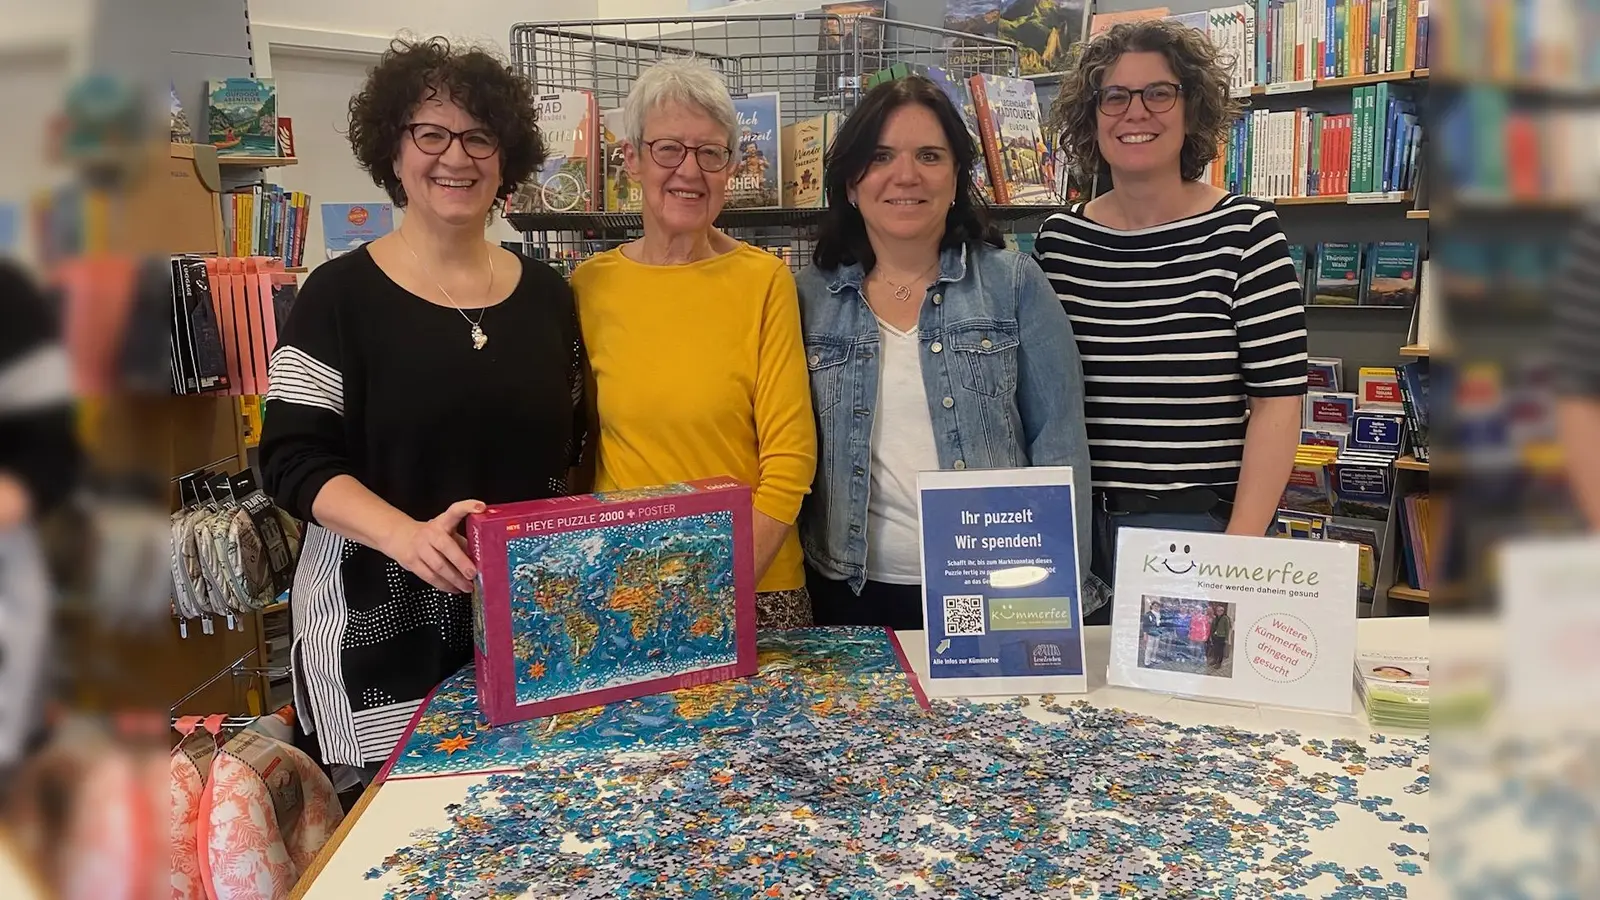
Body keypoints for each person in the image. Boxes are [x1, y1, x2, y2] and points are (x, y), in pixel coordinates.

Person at [259, 37, 586, 780]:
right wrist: (404, 535)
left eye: (479, 137)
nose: (456, 157)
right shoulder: (337, 296)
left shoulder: (549, 297)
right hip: (377, 632)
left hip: (527, 627)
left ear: (506, 158)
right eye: (430, 133)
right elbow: (290, 458)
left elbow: (570, 453)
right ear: (394, 150)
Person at [796, 76, 1094, 631]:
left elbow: (1060, 450)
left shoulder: (1014, 284)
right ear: (851, 184)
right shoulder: (806, 296)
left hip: (995, 588)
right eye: (880, 156)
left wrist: (1057, 601)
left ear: (957, 178)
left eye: (929, 155)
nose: (905, 175)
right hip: (847, 592)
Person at [1036, 19, 1308, 624]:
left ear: (1192, 109)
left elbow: (1278, 403)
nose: (1137, 113)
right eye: (1115, 96)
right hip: (1074, 531)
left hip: (1197, 528)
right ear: (1092, 115)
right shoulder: (1060, 242)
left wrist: (1239, 553)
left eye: (1159, 93)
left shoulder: (1246, 234)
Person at [568, 59, 817, 628]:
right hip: (624, 585)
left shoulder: (763, 282)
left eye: (711, 153)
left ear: (730, 167)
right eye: (668, 150)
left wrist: (714, 595)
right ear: (630, 159)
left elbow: (790, 459)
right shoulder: (589, 285)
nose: (691, 170)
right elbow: (583, 447)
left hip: (756, 585)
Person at [1208, 603, 1231, 669]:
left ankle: (1219, 663)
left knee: (1220, 651)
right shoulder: (1215, 618)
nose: (1219, 612)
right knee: (1215, 649)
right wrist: (1211, 635)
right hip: (1215, 636)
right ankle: (1215, 660)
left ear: (1223, 611)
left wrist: (1226, 639)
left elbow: (1227, 629)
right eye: (1217, 610)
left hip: (1221, 637)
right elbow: (1212, 627)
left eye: (1220, 611)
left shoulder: (1225, 618)